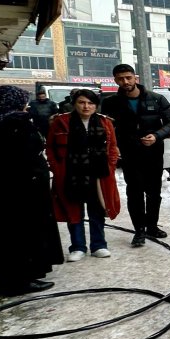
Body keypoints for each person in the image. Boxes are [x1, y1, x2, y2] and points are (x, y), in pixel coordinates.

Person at [0, 86, 65, 296]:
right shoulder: (15, 122)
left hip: (1, 184)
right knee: (20, 232)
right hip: (20, 187)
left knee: (8, 232)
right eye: (23, 101)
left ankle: (18, 276)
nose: (26, 105)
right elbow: (23, 155)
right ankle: (16, 282)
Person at [100, 64, 170, 247]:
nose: (125, 82)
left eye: (128, 77)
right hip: (129, 154)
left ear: (136, 78)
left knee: (154, 193)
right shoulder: (111, 103)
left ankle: (152, 226)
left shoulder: (156, 99)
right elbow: (106, 129)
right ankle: (139, 231)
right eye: (121, 79)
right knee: (134, 192)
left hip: (153, 153)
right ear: (115, 80)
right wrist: (115, 145)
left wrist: (157, 135)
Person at [48, 89, 122, 262]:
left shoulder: (105, 122)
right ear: (74, 104)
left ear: (96, 105)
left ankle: (99, 245)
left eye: (90, 103)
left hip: (98, 174)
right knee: (74, 211)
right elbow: (50, 147)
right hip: (71, 174)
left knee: (97, 210)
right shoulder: (61, 121)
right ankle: (77, 247)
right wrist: (56, 168)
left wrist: (110, 165)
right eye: (82, 102)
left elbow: (112, 148)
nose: (86, 106)